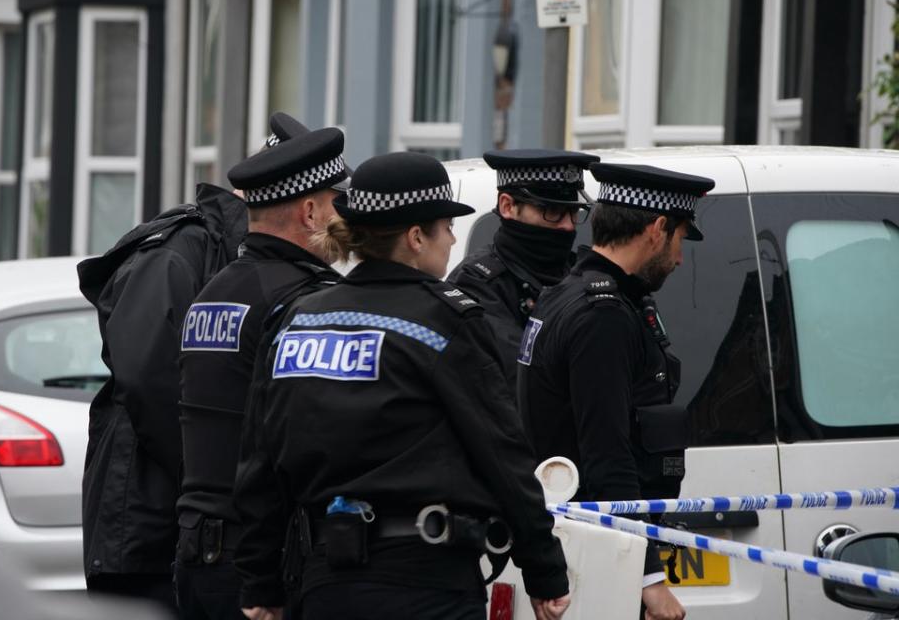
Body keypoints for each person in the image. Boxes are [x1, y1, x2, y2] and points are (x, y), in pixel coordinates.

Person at [235, 152, 571, 620]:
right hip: (425, 584)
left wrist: (260, 582)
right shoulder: (444, 321)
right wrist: (544, 570)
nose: (454, 238)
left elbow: (260, 462)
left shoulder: (298, 320)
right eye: (445, 227)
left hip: (322, 584)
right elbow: (502, 453)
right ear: (416, 237)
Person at [517, 162, 714, 620]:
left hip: (580, 543)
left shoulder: (572, 293)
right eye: (681, 238)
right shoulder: (602, 316)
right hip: (595, 555)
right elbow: (607, 454)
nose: (681, 257)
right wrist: (648, 579)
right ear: (657, 228)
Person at [175, 122, 348, 620]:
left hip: (199, 554)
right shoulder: (304, 302)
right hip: (263, 565)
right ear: (310, 211)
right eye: (337, 202)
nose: (345, 217)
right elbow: (300, 443)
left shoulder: (214, 291)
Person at [77, 182, 248, 614]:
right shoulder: (180, 248)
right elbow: (148, 378)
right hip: (142, 520)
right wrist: (205, 476)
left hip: (168, 519)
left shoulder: (225, 249)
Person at [447, 149, 598, 392]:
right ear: (508, 206)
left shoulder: (581, 274)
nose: (568, 226)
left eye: (573, 213)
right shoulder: (476, 283)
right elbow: (524, 382)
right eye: (553, 212)